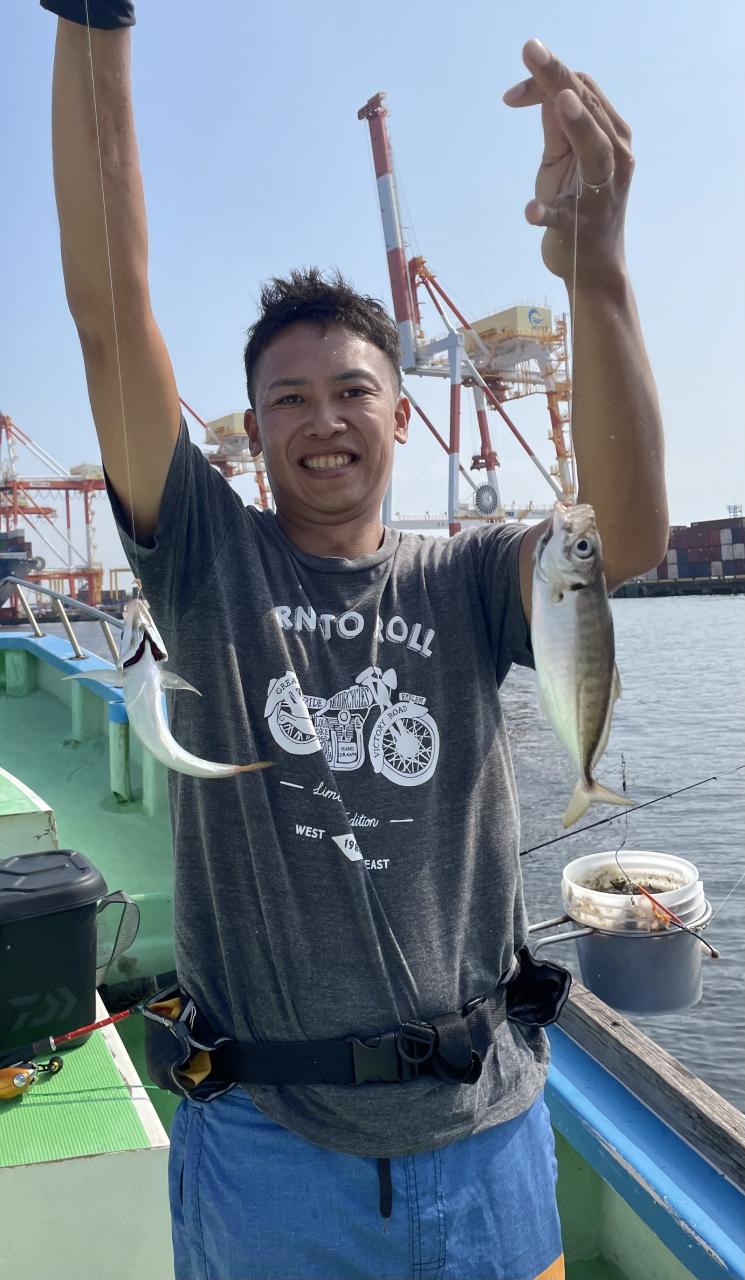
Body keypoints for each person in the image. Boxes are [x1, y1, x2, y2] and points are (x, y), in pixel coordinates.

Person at [43, 4, 668, 1278]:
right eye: (286, 397)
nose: (320, 419)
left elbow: (629, 537)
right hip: (269, 1148)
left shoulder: (471, 577)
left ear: (400, 416)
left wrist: (595, 272)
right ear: (249, 428)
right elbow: (112, 313)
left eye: (351, 392)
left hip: (486, 1131)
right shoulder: (206, 556)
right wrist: (94, 25)